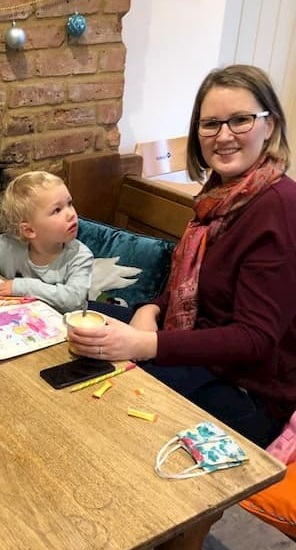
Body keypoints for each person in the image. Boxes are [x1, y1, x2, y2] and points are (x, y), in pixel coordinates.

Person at [68, 64, 296, 448]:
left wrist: (145, 344)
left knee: (103, 390)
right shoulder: (219, 197)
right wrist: (152, 310)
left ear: (270, 125)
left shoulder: (279, 208)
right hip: (193, 346)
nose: (223, 136)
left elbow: (255, 339)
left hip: (248, 393)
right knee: (76, 321)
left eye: (240, 120)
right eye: (211, 124)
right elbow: (190, 281)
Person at [0, 170, 93, 313]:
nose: (71, 214)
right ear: (29, 231)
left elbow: (73, 300)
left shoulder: (80, 256)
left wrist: (23, 287)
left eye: (69, 203)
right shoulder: (11, 245)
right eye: (57, 210)